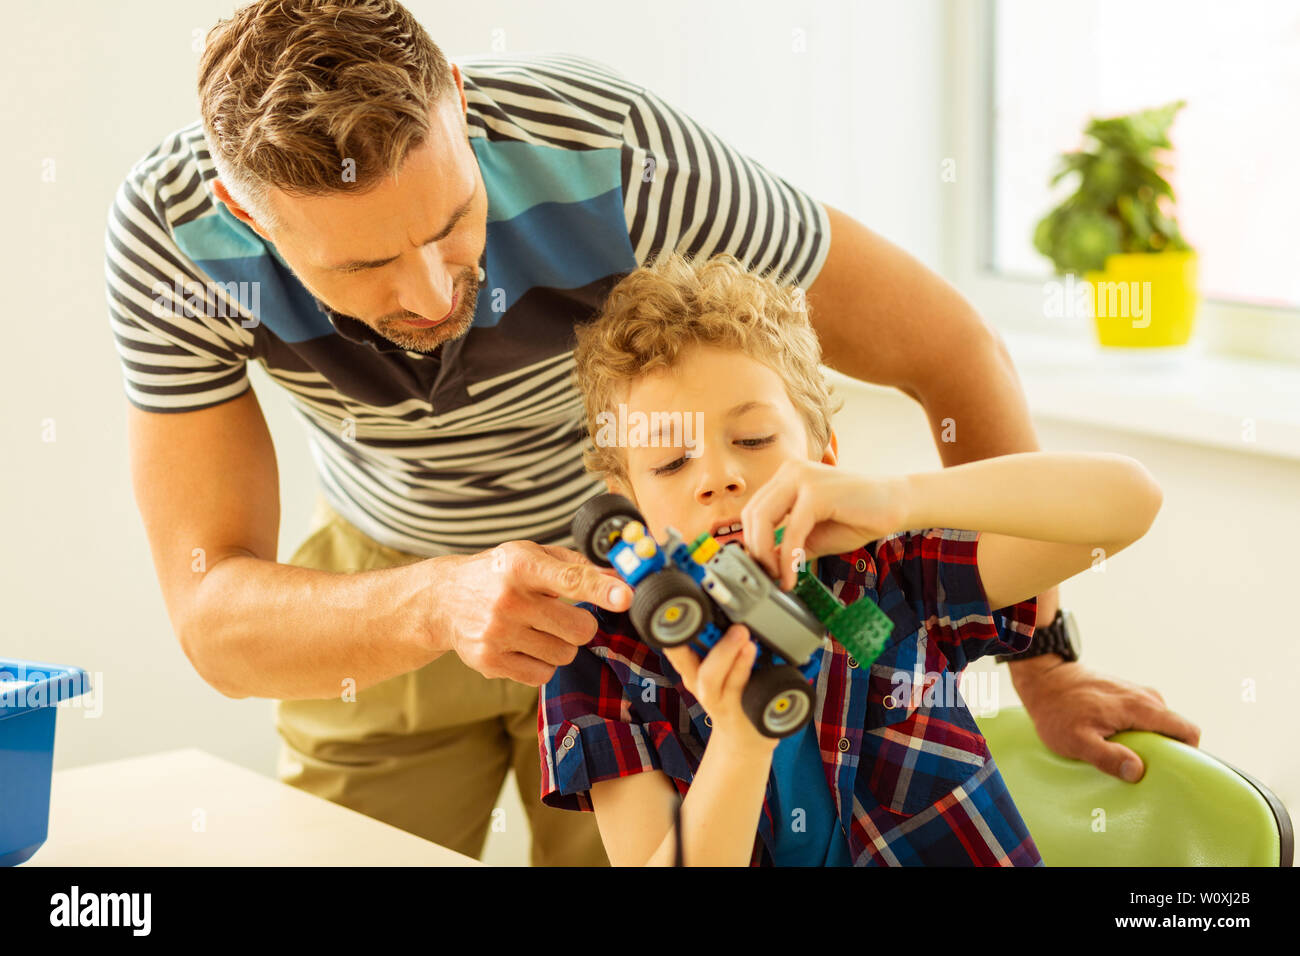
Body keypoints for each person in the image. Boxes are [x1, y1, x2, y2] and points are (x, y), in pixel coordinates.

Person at [105, 0, 1198, 865]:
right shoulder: (176, 247)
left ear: (457, 99)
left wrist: (1038, 658)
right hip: (393, 578)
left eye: (450, 223)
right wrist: (441, 597)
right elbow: (213, 612)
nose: (435, 291)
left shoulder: (626, 159)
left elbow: (948, 352)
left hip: (638, 596)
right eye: (361, 268)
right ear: (247, 213)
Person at [539, 252, 1167, 865]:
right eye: (672, 462)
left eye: (753, 439)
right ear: (630, 506)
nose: (719, 476)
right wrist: (740, 739)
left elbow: (1129, 502)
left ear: (823, 454)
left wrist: (901, 498)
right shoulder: (605, 659)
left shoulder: (880, 585)